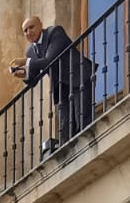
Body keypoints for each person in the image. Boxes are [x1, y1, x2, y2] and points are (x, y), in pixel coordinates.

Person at [9, 14, 94, 147]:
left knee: (82, 117)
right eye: (25, 30)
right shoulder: (31, 51)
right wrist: (21, 75)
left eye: (31, 27)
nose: (28, 32)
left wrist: (26, 62)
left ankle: (87, 146)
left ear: (40, 25)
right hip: (61, 88)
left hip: (78, 77)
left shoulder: (55, 32)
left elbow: (49, 60)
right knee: (65, 126)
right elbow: (32, 80)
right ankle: (69, 155)